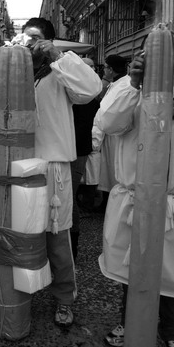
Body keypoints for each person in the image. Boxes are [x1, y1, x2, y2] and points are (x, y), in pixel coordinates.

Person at [98, 24, 174, 347]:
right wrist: (136, 83)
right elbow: (109, 122)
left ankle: (172, 332)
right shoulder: (127, 85)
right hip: (136, 197)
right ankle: (130, 321)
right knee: (132, 269)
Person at [21, 17, 101, 327]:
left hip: (53, 167)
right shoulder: (18, 71)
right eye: (26, 38)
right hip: (20, 165)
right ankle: (20, 296)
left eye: (37, 38)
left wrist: (57, 57)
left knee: (57, 237)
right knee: (23, 235)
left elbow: (91, 89)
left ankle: (64, 297)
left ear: (50, 41)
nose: (31, 44)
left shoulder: (60, 70)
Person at [70, 57, 101, 260]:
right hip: (70, 148)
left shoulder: (88, 95)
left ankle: (72, 246)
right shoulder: (74, 90)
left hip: (76, 150)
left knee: (68, 198)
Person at [93, 55, 128, 213]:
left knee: (115, 171)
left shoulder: (124, 85)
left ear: (112, 70)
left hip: (117, 135)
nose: (104, 70)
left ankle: (112, 204)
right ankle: (107, 201)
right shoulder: (116, 84)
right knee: (109, 170)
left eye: (105, 67)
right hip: (110, 135)